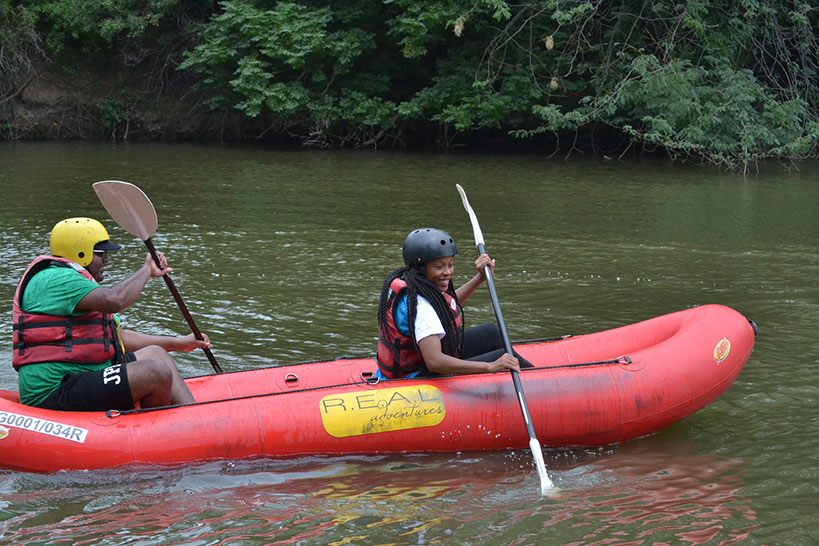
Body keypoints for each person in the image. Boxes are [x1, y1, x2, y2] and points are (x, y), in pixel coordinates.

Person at [12, 217, 209, 411]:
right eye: (101, 253)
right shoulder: (55, 279)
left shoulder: (80, 285)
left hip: (82, 375)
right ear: (81, 253)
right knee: (155, 372)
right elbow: (115, 300)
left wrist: (181, 343)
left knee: (156, 354)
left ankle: (195, 418)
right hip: (55, 389)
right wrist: (148, 269)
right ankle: (155, 429)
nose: (106, 260)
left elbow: (119, 338)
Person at [376, 227, 534, 379]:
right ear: (420, 268)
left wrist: (480, 278)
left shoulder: (412, 285)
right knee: (502, 356)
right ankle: (537, 380)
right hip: (417, 375)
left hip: (415, 362)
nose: (447, 272)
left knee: (490, 333)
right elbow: (434, 362)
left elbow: (444, 307)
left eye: (450, 264)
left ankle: (534, 374)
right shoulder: (422, 307)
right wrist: (490, 366)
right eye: (439, 266)